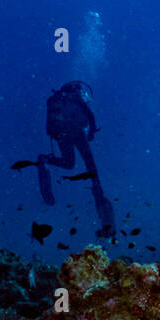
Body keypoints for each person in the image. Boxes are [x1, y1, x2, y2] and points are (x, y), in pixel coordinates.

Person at [34, 81, 116, 236]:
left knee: (69, 163)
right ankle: (102, 208)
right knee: (91, 168)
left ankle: (44, 159)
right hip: (77, 133)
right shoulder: (76, 98)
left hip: (61, 135)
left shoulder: (58, 100)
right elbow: (89, 115)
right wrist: (91, 131)